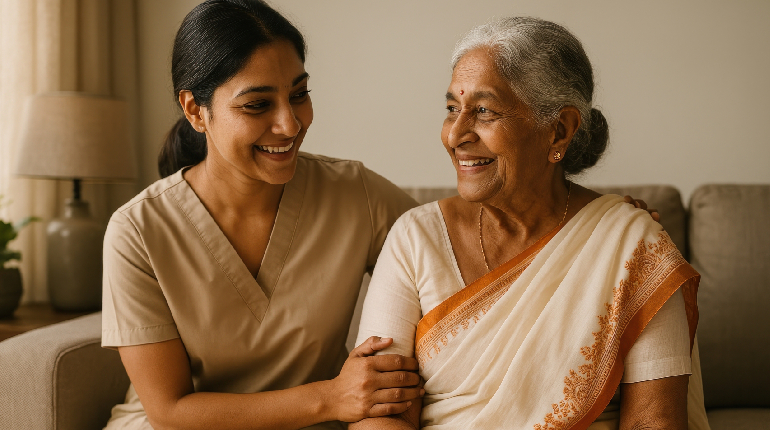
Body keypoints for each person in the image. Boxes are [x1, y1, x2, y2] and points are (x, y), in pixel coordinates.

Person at [353, 17, 710, 429]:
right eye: (453, 108)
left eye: (484, 111)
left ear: (559, 131)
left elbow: (655, 423)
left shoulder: (631, 245)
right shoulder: (415, 237)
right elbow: (378, 417)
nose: (456, 134)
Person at [100, 1, 424, 429]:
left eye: (298, 95)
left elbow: (446, 258)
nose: (290, 125)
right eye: (257, 105)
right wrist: (329, 397)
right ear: (196, 111)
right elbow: (169, 410)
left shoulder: (356, 194)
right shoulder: (137, 231)